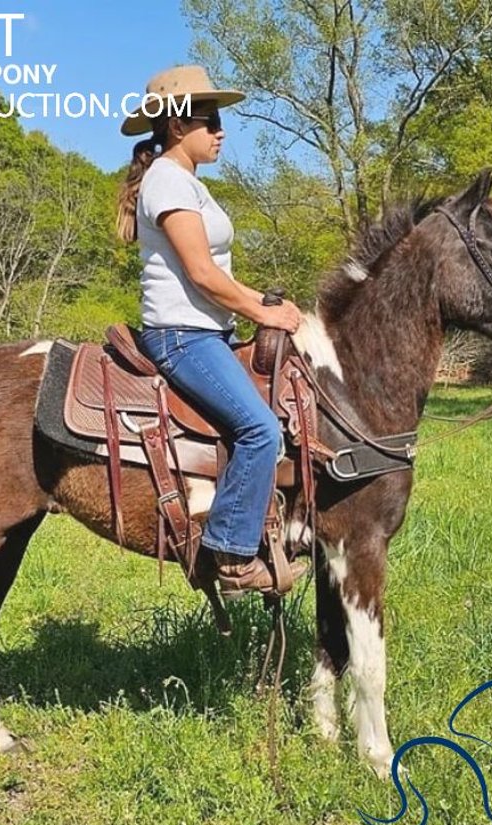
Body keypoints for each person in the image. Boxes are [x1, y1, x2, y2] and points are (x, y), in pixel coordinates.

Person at [116, 66, 304, 595]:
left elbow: (213, 274)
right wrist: (262, 313)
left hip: (207, 330)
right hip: (183, 335)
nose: (222, 132)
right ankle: (232, 558)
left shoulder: (187, 181)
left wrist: (257, 301)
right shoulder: (170, 181)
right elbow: (200, 273)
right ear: (178, 126)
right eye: (212, 121)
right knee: (260, 430)